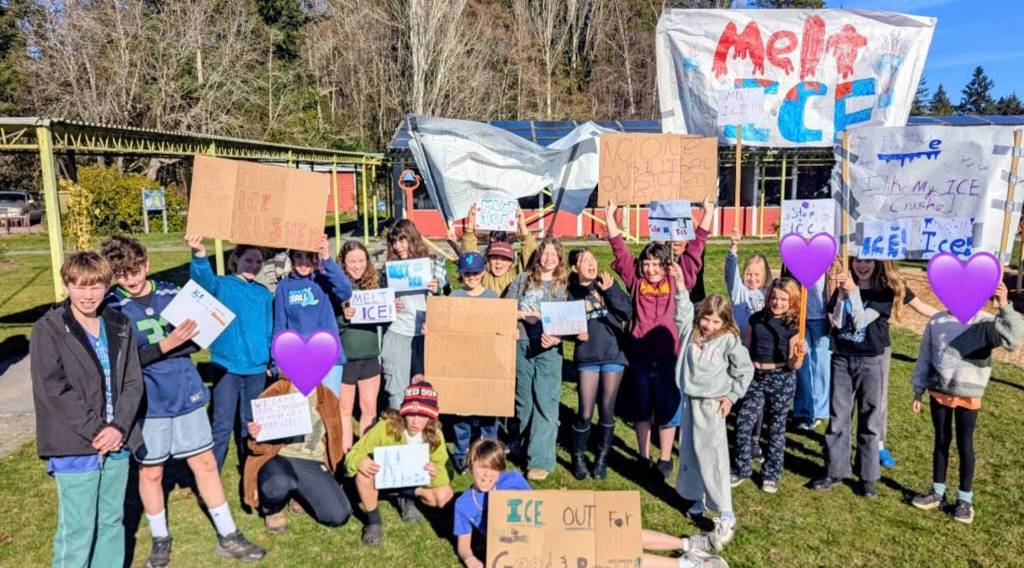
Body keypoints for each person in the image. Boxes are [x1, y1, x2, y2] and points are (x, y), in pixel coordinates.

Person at [100, 235, 265, 566]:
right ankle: (160, 539)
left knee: (204, 463)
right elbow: (124, 362)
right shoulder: (112, 307)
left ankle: (228, 533)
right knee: (151, 472)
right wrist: (167, 343)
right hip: (147, 401)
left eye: (135, 270)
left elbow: (199, 340)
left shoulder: (171, 293)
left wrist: (163, 348)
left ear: (146, 264)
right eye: (122, 274)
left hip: (186, 392)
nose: (131, 279)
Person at [31, 252, 144, 568]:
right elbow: (53, 389)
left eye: (95, 286)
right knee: (78, 528)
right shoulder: (49, 329)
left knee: (111, 521)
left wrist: (119, 427)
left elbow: (133, 381)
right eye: (80, 286)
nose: (88, 295)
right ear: (66, 285)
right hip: (75, 444)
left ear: (107, 286)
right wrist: (98, 429)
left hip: (117, 442)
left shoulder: (119, 324)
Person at [454, 439, 728, 568]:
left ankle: (689, 545)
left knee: (615, 536)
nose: (487, 475)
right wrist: (471, 560)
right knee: (611, 560)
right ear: (471, 466)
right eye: (481, 468)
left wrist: (558, 501)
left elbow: (537, 507)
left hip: (548, 534)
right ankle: (686, 565)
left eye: (493, 469)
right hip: (525, 552)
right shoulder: (464, 504)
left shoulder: (512, 480)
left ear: (501, 469)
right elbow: (464, 545)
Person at [909, 281, 1022, 524]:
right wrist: (918, 389)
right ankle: (937, 492)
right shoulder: (937, 321)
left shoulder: (985, 323)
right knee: (941, 441)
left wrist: (1004, 306)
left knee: (964, 445)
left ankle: (964, 500)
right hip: (939, 392)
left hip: (968, 395)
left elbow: (1013, 340)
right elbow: (924, 356)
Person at [672, 264, 753, 558]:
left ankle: (726, 514)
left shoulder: (728, 340)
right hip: (690, 402)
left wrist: (731, 396)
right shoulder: (692, 334)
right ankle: (698, 498)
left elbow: (744, 370)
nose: (709, 325)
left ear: (725, 322)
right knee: (692, 453)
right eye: (706, 318)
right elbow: (682, 313)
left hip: (711, 406)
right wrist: (680, 286)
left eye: (716, 321)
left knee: (713, 458)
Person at [606, 199, 681, 479]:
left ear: (665, 266)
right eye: (646, 264)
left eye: (656, 264)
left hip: (668, 358)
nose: (650, 269)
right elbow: (619, 248)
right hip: (639, 357)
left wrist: (708, 214)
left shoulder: (674, 282)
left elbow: (696, 251)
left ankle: (665, 457)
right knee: (641, 408)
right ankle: (643, 455)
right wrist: (610, 217)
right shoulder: (636, 281)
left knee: (668, 408)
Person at [187, 235, 273, 473]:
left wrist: (270, 360)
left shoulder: (264, 294)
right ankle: (211, 476)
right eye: (248, 260)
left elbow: (269, 330)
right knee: (222, 424)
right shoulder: (222, 285)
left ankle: (251, 472)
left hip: (257, 368)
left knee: (252, 423)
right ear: (235, 260)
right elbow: (202, 283)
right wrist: (199, 254)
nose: (253, 266)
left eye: (258, 262)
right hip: (227, 367)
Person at [811, 257, 895, 498]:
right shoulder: (843, 288)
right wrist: (841, 295)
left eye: (868, 260)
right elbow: (837, 322)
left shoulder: (883, 293)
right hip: (841, 358)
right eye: (857, 260)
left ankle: (868, 476)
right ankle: (835, 470)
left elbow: (860, 321)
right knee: (838, 417)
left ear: (877, 263)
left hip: (870, 361)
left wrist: (853, 292)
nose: (862, 265)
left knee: (870, 419)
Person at [345, 381, 454, 546]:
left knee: (444, 495)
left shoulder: (435, 434)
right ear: (404, 412)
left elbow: (445, 469)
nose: (415, 422)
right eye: (411, 414)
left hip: (412, 484)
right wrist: (360, 461)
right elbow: (354, 453)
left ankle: (406, 498)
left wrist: (435, 472)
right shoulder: (386, 427)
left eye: (422, 416)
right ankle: (373, 521)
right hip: (382, 480)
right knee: (363, 475)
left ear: (431, 417)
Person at [243, 378, 353, 533]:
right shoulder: (277, 391)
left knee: (339, 515)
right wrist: (255, 435)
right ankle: (273, 509)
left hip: (312, 459)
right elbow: (255, 446)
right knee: (280, 482)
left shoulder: (327, 396)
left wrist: (337, 470)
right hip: (278, 456)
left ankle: (298, 494)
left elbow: (335, 438)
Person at [731, 278, 805, 493]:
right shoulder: (756, 319)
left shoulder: (794, 326)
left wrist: (798, 355)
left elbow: (794, 365)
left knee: (776, 428)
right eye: (773, 297)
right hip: (755, 377)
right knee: (743, 421)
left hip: (781, 377)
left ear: (792, 301)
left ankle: (771, 474)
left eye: (783, 299)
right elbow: (745, 347)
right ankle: (741, 467)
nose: (777, 303)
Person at [504, 237, 569, 480]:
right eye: (545, 253)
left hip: (548, 348)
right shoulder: (522, 279)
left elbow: (571, 319)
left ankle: (540, 460)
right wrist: (520, 316)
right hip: (521, 343)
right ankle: (524, 446)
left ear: (559, 259)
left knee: (545, 401)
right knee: (524, 401)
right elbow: (505, 308)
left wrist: (558, 338)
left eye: (553, 254)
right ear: (538, 256)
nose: (548, 258)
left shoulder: (564, 285)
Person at [566, 247, 632, 480]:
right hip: (587, 357)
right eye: (585, 261)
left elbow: (626, 312)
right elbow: (562, 323)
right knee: (585, 412)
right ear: (575, 268)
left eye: (593, 259)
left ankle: (601, 459)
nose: (591, 264)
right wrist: (574, 334)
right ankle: (577, 457)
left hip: (613, 354)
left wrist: (611, 291)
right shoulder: (571, 292)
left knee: (606, 410)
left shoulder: (607, 284)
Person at [876, 261, 939, 468]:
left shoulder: (892, 282)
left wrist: (950, 315)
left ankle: (878, 445)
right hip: (848, 347)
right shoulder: (853, 276)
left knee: (878, 398)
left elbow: (920, 306)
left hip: (878, 348)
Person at [381, 219, 449, 409]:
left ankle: (424, 425)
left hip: (426, 334)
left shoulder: (433, 264)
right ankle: (397, 424)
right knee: (397, 389)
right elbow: (381, 300)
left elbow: (447, 299)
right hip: (398, 332)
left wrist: (437, 289)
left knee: (426, 388)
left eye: (402, 240)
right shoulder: (389, 269)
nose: (398, 246)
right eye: (394, 241)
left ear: (412, 239)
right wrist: (389, 304)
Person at [273, 234, 352, 396]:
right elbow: (280, 326)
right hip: (298, 360)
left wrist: (327, 258)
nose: (304, 262)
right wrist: (276, 361)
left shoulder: (323, 279)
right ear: (292, 259)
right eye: (298, 256)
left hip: (328, 357)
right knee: (304, 409)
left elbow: (345, 291)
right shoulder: (284, 286)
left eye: (309, 256)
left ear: (315, 258)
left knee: (328, 408)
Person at [449, 251, 501, 474]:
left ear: (483, 273)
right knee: (462, 414)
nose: (471, 277)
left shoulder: (492, 297)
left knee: (489, 413)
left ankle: (490, 454)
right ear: (461, 274)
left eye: (475, 273)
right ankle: (461, 455)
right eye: (466, 273)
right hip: (461, 362)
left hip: (487, 361)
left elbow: (500, 328)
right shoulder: (454, 297)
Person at [336, 240, 386, 453]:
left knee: (369, 409)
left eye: (361, 260)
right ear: (343, 263)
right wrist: (343, 317)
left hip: (370, 356)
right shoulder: (336, 289)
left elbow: (384, 319)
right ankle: (346, 455)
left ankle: (365, 454)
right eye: (352, 261)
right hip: (345, 358)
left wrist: (393, 308)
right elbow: (330, 325)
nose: (357, 266)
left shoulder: (374, 285)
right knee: (345, 411)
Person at [459, 204, 537, 295]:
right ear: (488, 260)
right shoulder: (482, 276)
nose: (498, 263)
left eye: (504, 259)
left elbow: (530, 255)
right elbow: (469, 258)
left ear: (510, 263)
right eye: (494, 258)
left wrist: (522, 226)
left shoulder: (515, 276)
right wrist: (470, 224)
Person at [791, 275, 831, 432]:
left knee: (821, 367)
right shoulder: (795, 261)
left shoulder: (831, 264)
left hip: (823, 319)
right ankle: (803, 411)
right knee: (802, 365)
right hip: (800, 319)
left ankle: (819, 411)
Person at [724, 230, 772, 333]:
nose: (752, 278)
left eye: (757, 275)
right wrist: (733, 247)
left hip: (760, 338)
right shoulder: (739, 292)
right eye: (749, 274)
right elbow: (731, 273)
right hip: (740, 337)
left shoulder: (769, 293)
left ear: (765, 275)